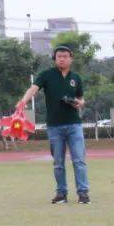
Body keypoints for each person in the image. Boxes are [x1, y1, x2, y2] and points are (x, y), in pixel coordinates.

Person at [16, 45, 90, 205]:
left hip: (74, 125)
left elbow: (81, 98)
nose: (62, 59)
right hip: (54, 126)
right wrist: (23, 101)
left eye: (65, 56)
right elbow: (33, 89)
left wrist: (79, 103)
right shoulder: (46, 75)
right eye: (59, 56)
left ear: (71, 59)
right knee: (58, 163)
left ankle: (83, 194)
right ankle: (61, 194)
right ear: (55, 59)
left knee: (79, 160)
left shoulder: (76, 78)